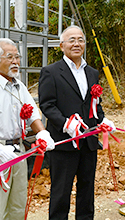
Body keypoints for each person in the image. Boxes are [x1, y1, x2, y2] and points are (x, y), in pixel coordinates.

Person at [0, 38, 55, 220]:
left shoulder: (19, 87)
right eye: (10, 57)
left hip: (19, 153)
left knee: (17, 205)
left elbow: (32, 115)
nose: (15, 62)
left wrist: (42, 133)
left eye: (17, 57)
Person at [38, 25, 116, 219]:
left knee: (87, 190)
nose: (76, 44)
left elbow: (94, 104)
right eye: (71, 40)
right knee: (61, 193)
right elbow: (47, 105)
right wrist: (66, 124)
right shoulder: (51, 72)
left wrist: (103, 119)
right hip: (64, 143)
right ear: (61, 45)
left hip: (88, 143)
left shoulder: (92, 73)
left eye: (80, 40)